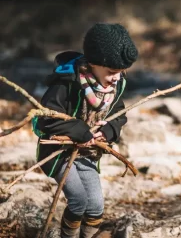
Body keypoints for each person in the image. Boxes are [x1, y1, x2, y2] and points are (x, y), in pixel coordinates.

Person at [34, 23, 138, 238]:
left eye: (121, 72)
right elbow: (46, 118)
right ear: (92, 64)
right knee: (79, 200)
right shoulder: (66, 82)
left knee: (96, 206)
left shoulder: (115, 86)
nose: (116, 78)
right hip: (59, 152)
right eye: (111, 72)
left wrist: (109, 130)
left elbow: (119, 113)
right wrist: (80, 130)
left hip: (88, 153)